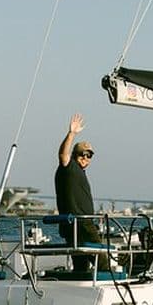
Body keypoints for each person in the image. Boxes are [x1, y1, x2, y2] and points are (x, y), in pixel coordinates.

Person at [54, 113, 104, 271]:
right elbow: (63, 155)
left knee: (81, 264)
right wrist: (72, 133)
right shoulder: (69, 168)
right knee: (102, 259)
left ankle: (81, 280)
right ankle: (108, 279)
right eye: (82, 154)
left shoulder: (79, 172)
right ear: (75, 155)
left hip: (77, 223)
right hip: (81, 224)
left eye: (89, 155)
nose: (85, 157)